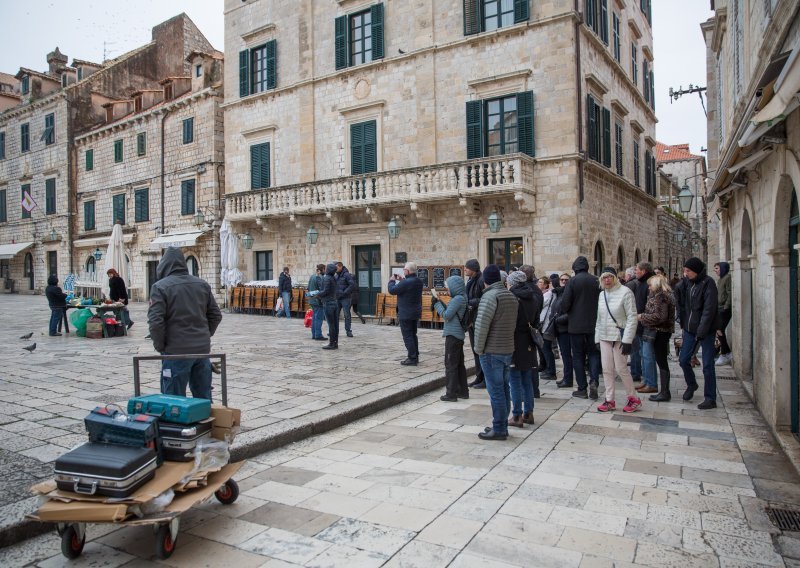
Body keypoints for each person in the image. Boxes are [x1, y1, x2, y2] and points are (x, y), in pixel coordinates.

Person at [148, 247, 222, 400]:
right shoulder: (202, 285)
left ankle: (178, 424)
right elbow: (215, 315)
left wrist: (160, 346)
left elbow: (156, 321)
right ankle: (205, 422)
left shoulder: (160, 287)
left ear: (164, 265)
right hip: (201, 350)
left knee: (173, 398)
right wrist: (203, 335)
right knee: (203, 395)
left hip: (176, 351)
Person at [473, 264, 518, 440]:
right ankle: (502, 425)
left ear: (485, 280)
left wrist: (478, 349)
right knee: (504, 389)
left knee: (496, 391)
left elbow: (482, 325)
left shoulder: (490, 296)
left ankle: (499, 428)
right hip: (507, 348)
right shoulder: (510, 295)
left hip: (491, 350)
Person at [674, 257, 719, 410]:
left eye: (688, 271)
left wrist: (701, 330)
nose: (685, 273)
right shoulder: (687, 283)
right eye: (684, 270)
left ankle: (710, 397)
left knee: (707, 364)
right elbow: (682, 300)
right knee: (683, 359)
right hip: (689, 328)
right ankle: (692, 384)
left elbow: (709, 309)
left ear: (697, 271)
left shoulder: (708, 283)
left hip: (706, 330)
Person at [595, 267, 641, 413]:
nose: (607, 280)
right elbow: (599, 318)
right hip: (604, 335)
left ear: (615, 277)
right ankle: (609, 400)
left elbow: (632, 318)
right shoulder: (602, 295)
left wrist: (628, 340)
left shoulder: (626, 293)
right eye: (604, 277)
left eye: (609, 276)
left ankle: (633, 397)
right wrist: (597, 338)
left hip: (620, 336)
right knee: (607, 369)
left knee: (621, 368)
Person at [560, 256, 601, 400]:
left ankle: (582, 388)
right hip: (593, 324)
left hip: (576, 325)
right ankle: (594, 381)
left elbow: (565, 304)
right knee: (594, 354)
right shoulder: (596, 280)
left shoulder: (572, 281)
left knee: (577, 356)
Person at [507, 270, 540, 427]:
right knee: (527, 379)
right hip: (528, 342)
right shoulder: (532, 297)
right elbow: (536, 320)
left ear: (512, 282)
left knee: (514, 379)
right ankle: (529, 412)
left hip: (515, 341)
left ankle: (517, 415)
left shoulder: (513, 297)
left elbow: (511, 322)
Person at [638, 274, 676, 402]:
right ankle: (664, 391)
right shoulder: (662, 295)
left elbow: (660, 317)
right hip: (661, 331)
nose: (648, 288)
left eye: (650, 285)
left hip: (660, 332)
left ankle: (665, 392)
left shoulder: (662, 297)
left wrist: (642, 317)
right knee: (661, 360)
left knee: (661, 361)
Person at [431, 275, 468, 401]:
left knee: (450, 364)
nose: (448, 290)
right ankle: (463, 391)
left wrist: (436, 304)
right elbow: (451, 311)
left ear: (455, 287)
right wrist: (440, 302)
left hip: (453, 334)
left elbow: (447, 315)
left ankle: (451, 393)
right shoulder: (461, 297)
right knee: (459, 364)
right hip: (458, 334)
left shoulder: (457, 299)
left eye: (448, 287)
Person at [388, 261, 424, 365]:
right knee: (413, 335)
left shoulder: (406, 282)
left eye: (404, 269)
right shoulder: (418, 281)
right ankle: (415, 355)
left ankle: (412, 358)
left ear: (407, 271)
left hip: (405, 313)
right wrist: (402, 279)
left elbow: (392, 290)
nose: (403, 270)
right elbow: (408, 287)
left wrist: (391, 281)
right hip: (415, 312)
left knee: (407, 336)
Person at [631, 262, 657, 394]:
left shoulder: (649, 283)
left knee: (647, 355)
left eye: (637, 269)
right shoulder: (641, 283)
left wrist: (642, 317)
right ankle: (646, 381)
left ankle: (651, 383)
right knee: (642, 354)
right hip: (640, 323)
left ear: (644, 271)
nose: (635, 272)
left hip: (647, 324)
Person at [464, 259, 485, 388]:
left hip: (478, 318)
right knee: (475, 349)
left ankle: (484, 378)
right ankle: (479, 376)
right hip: (472, 319)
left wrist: (471, 302)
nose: (465, 269)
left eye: (467, 268)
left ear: (473, 269)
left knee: (480, 350)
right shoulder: (471, 280)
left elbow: (484, 298)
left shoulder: (481, 281)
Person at [553, 273, 574, 387]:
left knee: (566, 355)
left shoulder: (569, 294)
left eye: (566, 279)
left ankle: (568, 379)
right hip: (560, 328)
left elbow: (570, 313)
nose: (564, 281)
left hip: (565, 328)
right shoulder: (559, 293)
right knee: (564, 354)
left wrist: (558, 320)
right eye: (562, 279)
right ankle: (566, 377)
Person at [537, 276, 557, 380]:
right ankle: (546, 367)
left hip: (546, 325)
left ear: (546, 285)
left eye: (540, 282)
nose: (538, 284)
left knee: (546, 348)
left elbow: (539, 305)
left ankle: (551, 371)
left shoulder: (547, 295)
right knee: (543, 348)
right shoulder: (544, 294)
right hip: (543, 324)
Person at [317, 262, 340, 349]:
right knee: (335, 324)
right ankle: (335, 343)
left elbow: (326, 291)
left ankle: (332, 343)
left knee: (331, 324)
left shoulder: (327, 278)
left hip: (328, 303)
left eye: (326, 268)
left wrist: (318, 295)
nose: (325, 269)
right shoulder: (333, 278)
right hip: (334, 302)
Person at [714, 261, 732, 366]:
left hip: (724, 309)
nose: (715, 271)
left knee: (719, 329)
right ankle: (725, 352)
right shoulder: (720, 279)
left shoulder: (727, 278)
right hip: (720, 307)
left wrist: (726, 306)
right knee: (718, 330)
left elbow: (729, 292)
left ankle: (725, 353)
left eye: (717, 268)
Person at [335, 262, 356, 337]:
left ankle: (348, 331)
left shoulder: (346, 275)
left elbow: (352, 285)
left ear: (341, 267)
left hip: (345, 298)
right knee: (335, 315)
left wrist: (344, 293)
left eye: (336, 267)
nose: (335, 269)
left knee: (347, 315)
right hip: (337, 298)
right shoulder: (336, 275)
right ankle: (334, 331)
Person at [307, 264, 326, 341]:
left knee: (315, 317)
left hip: (312, 300)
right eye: (325, 269)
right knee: (318, 318)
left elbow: (308, 288)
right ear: (323, 269)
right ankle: (318, 335)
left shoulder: (312, 276)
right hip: (317, 301)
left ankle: (314, 334)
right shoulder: (319, 278)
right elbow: (322, 289)